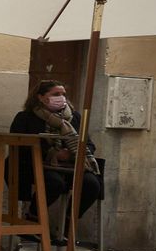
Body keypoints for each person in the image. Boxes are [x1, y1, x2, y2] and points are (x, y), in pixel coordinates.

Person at [9, 80, 102, 221]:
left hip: (70, 164)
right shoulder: (25, 118)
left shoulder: (74, 117)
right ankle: (33, 217)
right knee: (54, 183)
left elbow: (89, 144)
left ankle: (68, 225)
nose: (61, 97)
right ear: (40, 97)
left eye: (63, 94)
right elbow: (19, 146)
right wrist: (53, 154)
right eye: (56, 94)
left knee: (92, 184)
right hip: (38, 165)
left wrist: (71, 154)